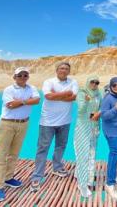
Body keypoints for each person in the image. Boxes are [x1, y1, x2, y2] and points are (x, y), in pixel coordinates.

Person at [0, 67, 40, 202]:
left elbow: (36, 100)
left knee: (14, 153)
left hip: (23, 124)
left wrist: (19, 101)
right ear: (14, 77)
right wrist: (25, 101)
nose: (23, 77)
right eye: (20, 75)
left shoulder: (32, 88)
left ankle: (8, 178)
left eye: (25, 75)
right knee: (0, 156)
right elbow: (10, 105)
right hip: (7, 124)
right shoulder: (9, 89)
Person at [30, 62, 79, 192]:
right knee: (42, 148)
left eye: (66, 69)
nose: (64, 70)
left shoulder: (73, 82)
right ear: (56, 70)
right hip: (47, 122)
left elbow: (73, 97)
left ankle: (57, 167)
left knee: (61, 146)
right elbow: (48, 96)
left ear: (69, 71)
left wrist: (57, 95)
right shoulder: (49, 81)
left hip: (65, 121)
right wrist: (65, 94)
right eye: (61, 68)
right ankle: (37, 176)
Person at [74, 76, 102, 198]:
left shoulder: (98, 94)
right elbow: (80, 111)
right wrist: (85, 101)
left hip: (94, 127)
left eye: (97, 82)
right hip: (83, 128)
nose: (94, 84)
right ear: (87, 82)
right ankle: (82, 185)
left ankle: (86, 178)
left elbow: (99, 109)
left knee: (91, 153)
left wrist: (98, 113)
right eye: (92, 82)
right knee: (83, 155)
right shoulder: (82, 93)